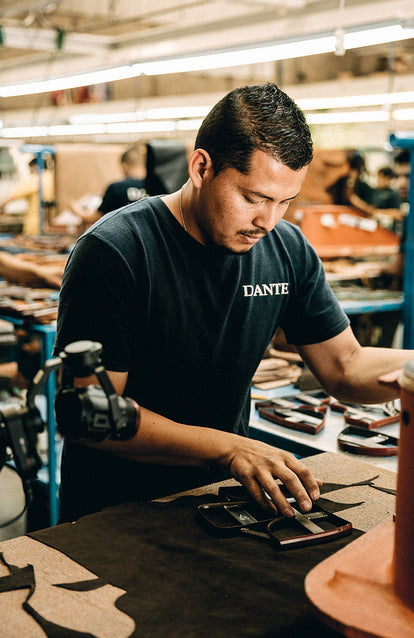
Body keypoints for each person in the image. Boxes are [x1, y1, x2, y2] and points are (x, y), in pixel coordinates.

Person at [54, 83, 414, 525]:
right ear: (202, 167)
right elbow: (91, 414)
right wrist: (229, 447)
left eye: (285, 202)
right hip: (112, 511)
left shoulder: (287, 250)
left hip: (220, 504)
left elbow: (346, 365)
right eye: (254, 198)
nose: (268, 221)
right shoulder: (117, 251)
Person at [70, 145, 147, 226]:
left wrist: (77, 210)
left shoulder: (116, 188)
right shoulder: (158, 188)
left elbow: (96, 218)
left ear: (124, 165)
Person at [0, 157, 55, 235]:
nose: (30, 173)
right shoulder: (53, 178)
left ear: (35, 167)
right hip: (52, 227)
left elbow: (11, 196)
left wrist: (1, 207)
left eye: (30, 170)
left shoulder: (36, 179)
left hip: (35, 227)